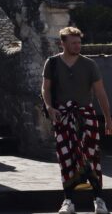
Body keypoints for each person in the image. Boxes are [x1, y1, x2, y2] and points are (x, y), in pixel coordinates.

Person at [42, 27, 112, 214]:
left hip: (86, 116)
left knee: (92, 157)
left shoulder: (89, 64)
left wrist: (108, 118)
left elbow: (100, 92)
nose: (77, 46)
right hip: (63, 116)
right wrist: (49, 107)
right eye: (73, 43)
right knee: (67, 159)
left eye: (79, 42)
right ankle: (68, 201)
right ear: (62, 43)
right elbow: (46, 89)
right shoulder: (53, 63)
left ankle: (99, 199)